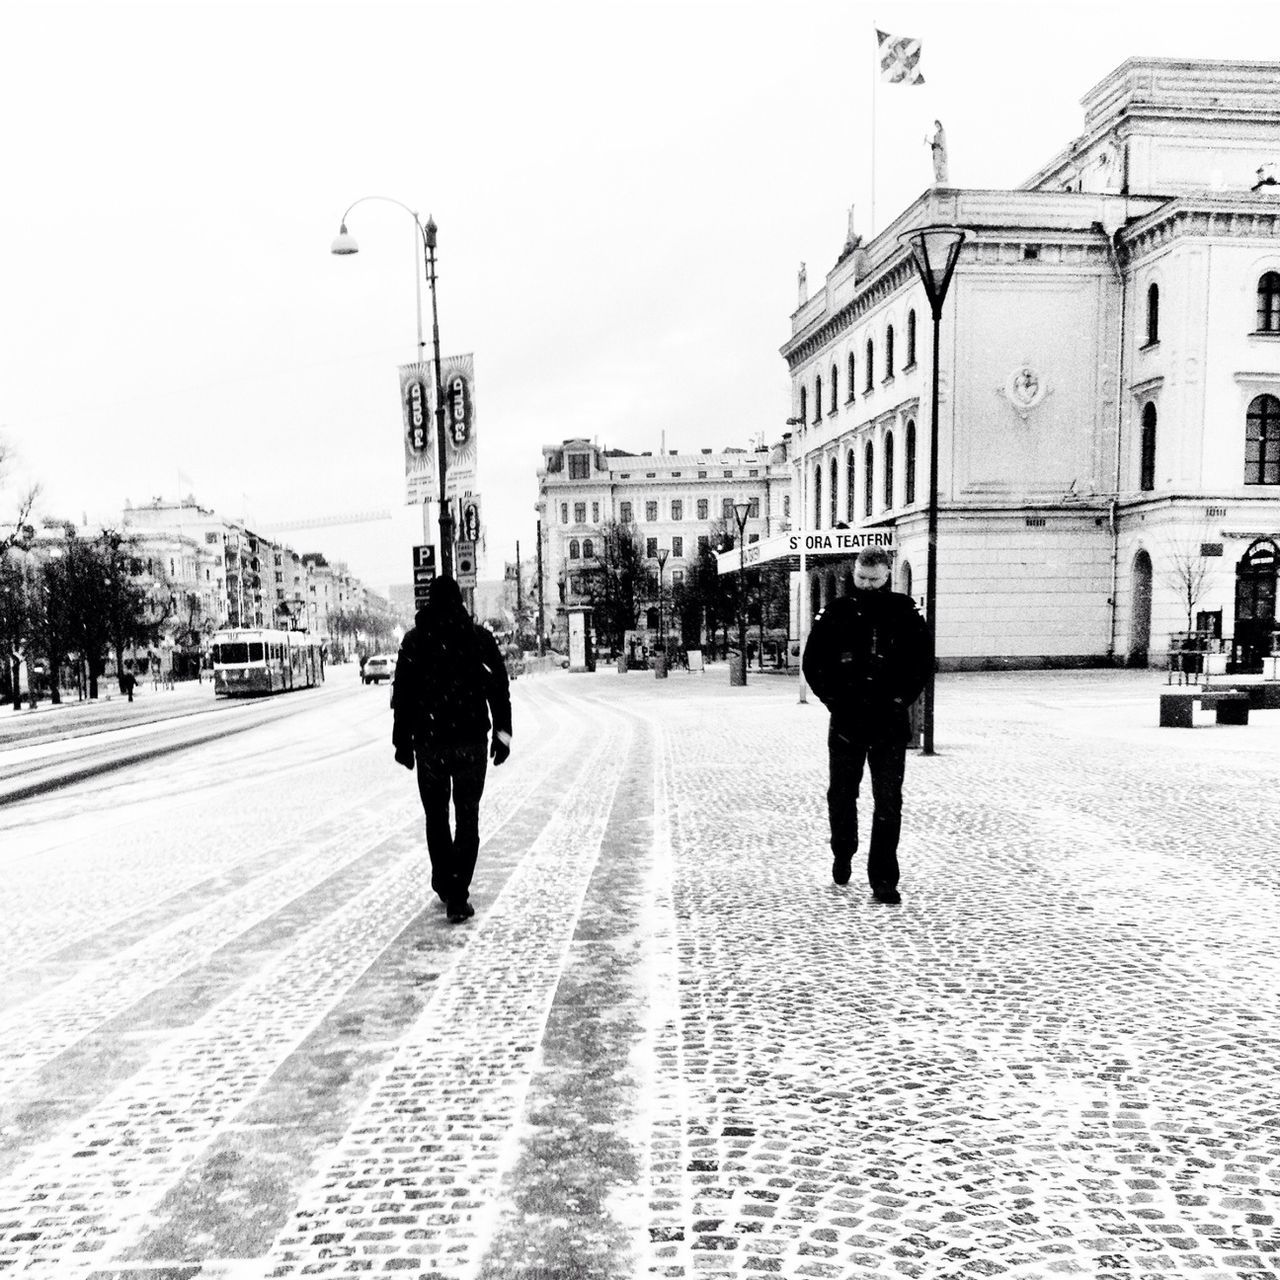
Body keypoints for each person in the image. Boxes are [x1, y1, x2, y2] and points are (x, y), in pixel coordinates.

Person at [802, 547, 931, 904]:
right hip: (846, 722)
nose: (867, 586)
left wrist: (898, 701)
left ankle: (884, 879)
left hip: (889, 724)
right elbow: (813, 664)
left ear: (887, 575)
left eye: (874, 580)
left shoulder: (905, 614)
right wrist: (833, 701)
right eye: (861, 579)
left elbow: (920, 664)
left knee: (888, 802)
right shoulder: (836, 614)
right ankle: (843, 851)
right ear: (855, 574)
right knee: (842, 795)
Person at [392, 576, 512, 923]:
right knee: (468, 814)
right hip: (470, 742)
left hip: (430, 743)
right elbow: (498, 689)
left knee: (436, 817)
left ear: (429, 602)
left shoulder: (416, 642)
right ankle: (458, 892)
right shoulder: (478, 639)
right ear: (460, 601)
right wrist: (502, 736)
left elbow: (403, 697)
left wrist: (403, 743)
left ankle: (445, 879)